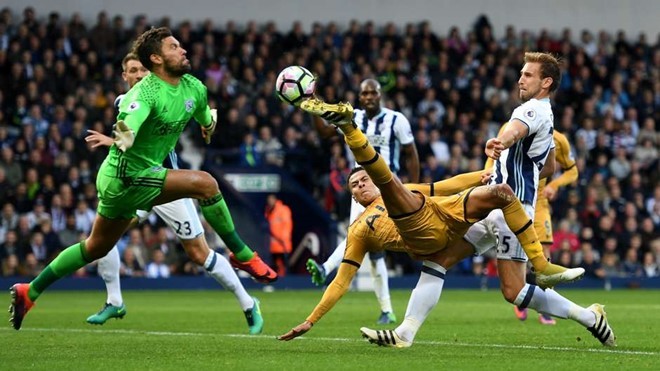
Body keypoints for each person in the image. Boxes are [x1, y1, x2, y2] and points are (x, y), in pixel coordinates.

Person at [278, 52, 612, 348]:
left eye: (527, 74)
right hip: (494, 205)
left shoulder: (532, 109)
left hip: (511, 209)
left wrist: (501, 142)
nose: (520, 78)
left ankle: (580, 308)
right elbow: (549, 165)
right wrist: (526, 163)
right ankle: (405, 332)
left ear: (546, 82)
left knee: (514, 291)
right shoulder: (544, 115)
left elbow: (514, 130)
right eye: (521, 72)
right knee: (438, 260)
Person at [8, 27, 273, 331]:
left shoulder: (191, 88)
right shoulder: (139, 95)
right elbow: (128, 125)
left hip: (155, 178)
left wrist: (209, 125)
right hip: (130, 178)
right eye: (174, 47)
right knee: (206, 184)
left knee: (97, 246)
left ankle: (32, 290)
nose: (183, 50)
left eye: (179, 45)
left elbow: (204, 118)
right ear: (154, 60)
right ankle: (240, 255)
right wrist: (118, 139)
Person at [81, 53, 265, 334]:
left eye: (143, 69)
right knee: (104, 235)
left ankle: (248, 303)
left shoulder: (162, 93)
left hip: (167, 186)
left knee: (198, 252)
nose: (139, 74)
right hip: (135, 184)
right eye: (133, 70)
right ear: (124, 76)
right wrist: (113, 140)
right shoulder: (124, 103)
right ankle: (114, 300)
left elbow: (191, 109)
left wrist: (208, 122)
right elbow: (125, 140)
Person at [306, 78, 420, 324]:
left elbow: (411, 153)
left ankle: (328, 268)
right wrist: (311, 107)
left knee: (365, 239)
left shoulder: (396, 120)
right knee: (367, 243)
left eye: (372, 93)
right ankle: (387, 310)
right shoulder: (352, 116)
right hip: (361, 187)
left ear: (380, 95)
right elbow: (325, 132)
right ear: (359, 97)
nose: (368, 97)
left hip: (389, 188)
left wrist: (415, 187)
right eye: (364, 93)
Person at [494, 129, 578, 325]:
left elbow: (573, 170)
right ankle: (521, 298)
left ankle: (546, 308)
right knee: (519, 250)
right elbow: (494, 157)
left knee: (545, 252)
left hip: (539, 202)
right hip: (515, 196)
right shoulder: (511, 127)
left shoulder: (558, 139)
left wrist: (554, 185)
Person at [265, 194, 293, 277]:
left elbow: (287, 225)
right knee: (274, 266)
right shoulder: (268, 210)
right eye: (269, 200)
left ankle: (286, 283)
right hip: (273, 245)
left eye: (271, 200)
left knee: (284, 265)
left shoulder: (283, 210)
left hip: (282, 244)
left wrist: (283, 239)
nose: (270, 202)